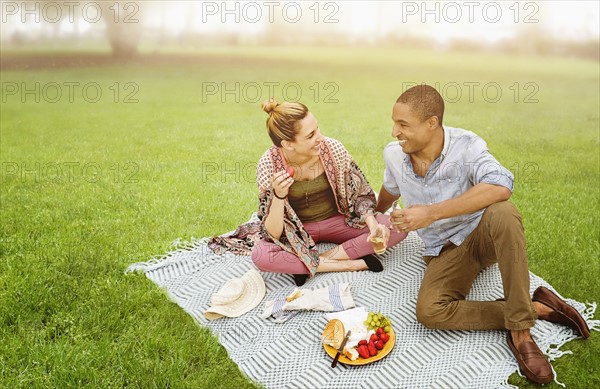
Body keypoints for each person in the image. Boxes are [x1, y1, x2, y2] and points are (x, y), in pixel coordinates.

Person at [375, 85, 590, 385]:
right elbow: (390, 188)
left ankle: (520, 333)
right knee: (429, 312)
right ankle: (537, 308)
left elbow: (501, 185)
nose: (394, 131)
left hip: (481, 235)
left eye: (403, 125)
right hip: (442, 251)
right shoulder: (395, 155)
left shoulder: (467, 146)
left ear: (432, 123)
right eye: (395, 122)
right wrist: (374, 215)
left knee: (504, 211)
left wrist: (430, 212)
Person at [209, 98, 407, 286]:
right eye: (310, 135)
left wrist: (373, 226)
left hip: (339, 221)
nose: (319, 137)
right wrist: (278, 196)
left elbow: (360, 195)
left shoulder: (333, 149)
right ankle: (352, 263)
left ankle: (310, 263)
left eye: (317, 128)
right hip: (298, 230)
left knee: (398, 226)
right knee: (261, 255)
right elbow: (273, 233)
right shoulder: (268, 165)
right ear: (287, 144)